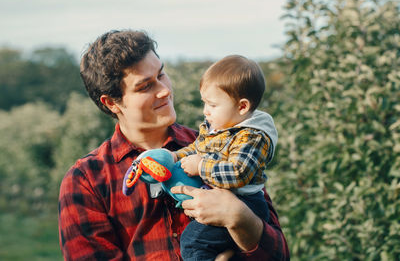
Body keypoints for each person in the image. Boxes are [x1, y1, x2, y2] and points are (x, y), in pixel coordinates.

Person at [58, 29, 289, 260]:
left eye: (161, 74)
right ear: (111, 103)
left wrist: (240, 218)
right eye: (145, 86)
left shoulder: (220, 144)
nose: (165, 90)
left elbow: (280, 255)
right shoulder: (87, 181)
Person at [171, 55, 278, 261]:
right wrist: (176, 156)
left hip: (246, 203)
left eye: (212, 105)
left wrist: (201, 167)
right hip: (223, 199)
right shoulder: (220, 128)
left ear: (242, 107)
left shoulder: (253, 136)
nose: (205, 111)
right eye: (205, 103)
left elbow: (238, 172)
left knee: (193, 242)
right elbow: (197, 149)